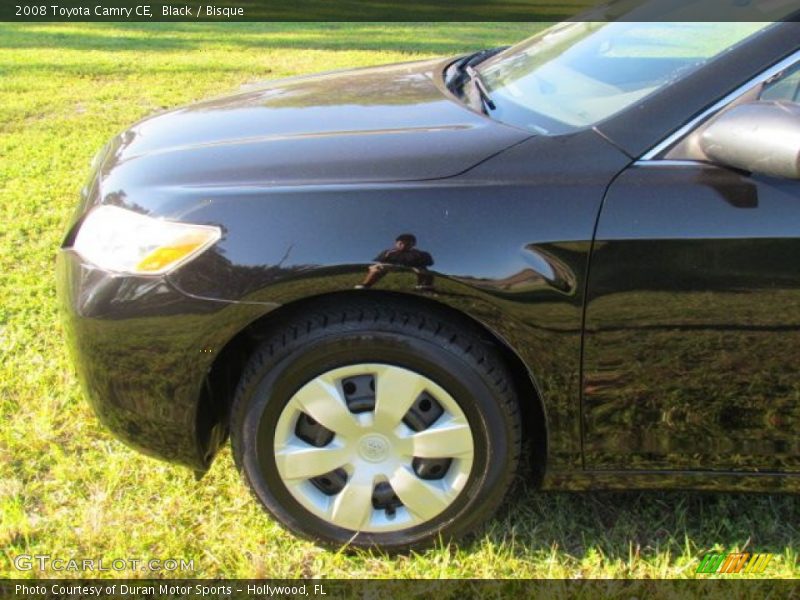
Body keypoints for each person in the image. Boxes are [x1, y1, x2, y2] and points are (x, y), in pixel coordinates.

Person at [355, 233, 434, 290]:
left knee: (422, 268)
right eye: (401, 243)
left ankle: (424, 286)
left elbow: (430, 263)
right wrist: (385, 257)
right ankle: (365, 285)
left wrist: (421, 258)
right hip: (392, 266)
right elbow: (377, 263)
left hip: (412, 268)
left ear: (413, 244)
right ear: (396, 243)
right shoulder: (388, 252)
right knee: (377, 267)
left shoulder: (420, 253)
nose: (403, 245)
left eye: (408, 243)